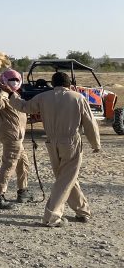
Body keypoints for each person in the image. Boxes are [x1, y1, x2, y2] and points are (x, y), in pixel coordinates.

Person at [8, 71, 101, 227]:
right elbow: (90, 123)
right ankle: (51, 216)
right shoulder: (78, 98)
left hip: (51, 143)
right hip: (71, 142)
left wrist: (11, 94)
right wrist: (95, 143)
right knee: (66, 179)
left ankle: (82, 211)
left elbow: (24, 106)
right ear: (69, 84)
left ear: (53, 84)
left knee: (66, 178)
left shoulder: (43, 97)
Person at [0, 69, 32, 209]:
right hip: (11, 136)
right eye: (11, 80)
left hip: (17, 136)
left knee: (23, 163)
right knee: (9, 165)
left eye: (15, 80)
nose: (14, 82)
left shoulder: (14, 95)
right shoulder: (2, 95)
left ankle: (23, 191)